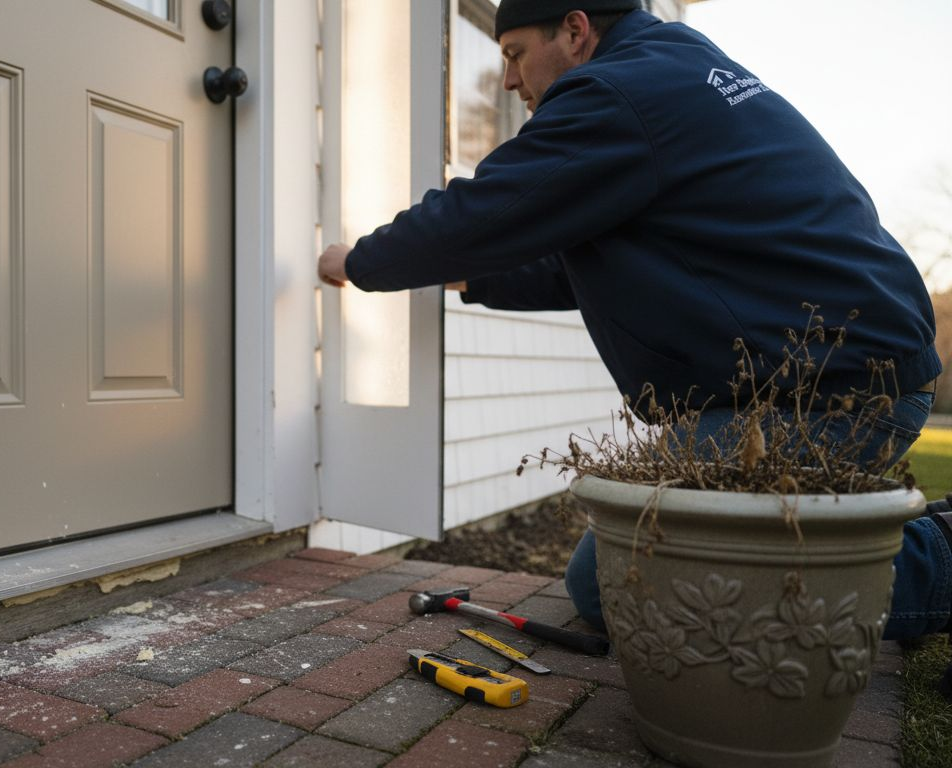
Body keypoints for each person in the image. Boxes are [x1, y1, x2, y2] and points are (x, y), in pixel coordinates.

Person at [316, 0, 951, 646]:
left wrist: (359, 261)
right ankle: (908, 545)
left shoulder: (615, 95)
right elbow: (585, 266)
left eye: (513, 55)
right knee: (625, 576)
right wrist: (475, 277)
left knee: (619, 586)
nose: (508, 80)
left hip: (834, 392)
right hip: (851, 375)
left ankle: (938, 567)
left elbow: (481, 212)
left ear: (574, 29)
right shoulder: (669, 74)